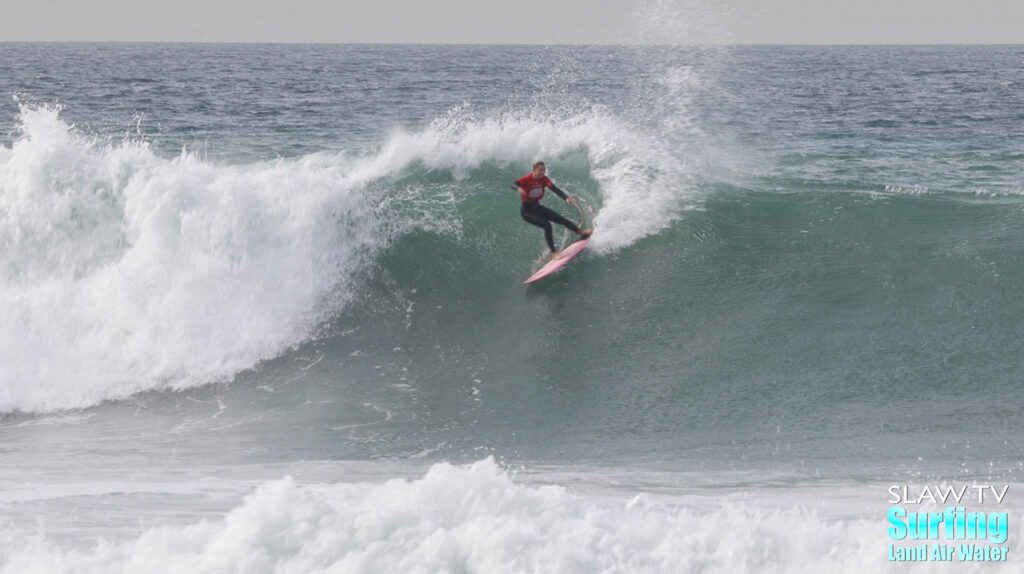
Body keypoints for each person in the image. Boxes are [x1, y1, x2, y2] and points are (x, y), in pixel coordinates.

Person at [512, 161, 593, 260]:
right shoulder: (527, 179)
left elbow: (555, 189)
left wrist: (566, 198)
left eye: (544, 170)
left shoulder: (544, 179)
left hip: (537, 207)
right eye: (540, 170)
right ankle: (554, 253)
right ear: (534, 170)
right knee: (547, 225)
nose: (543, 172)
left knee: (562, 219)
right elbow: (514, 184)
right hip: (527, 212)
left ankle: (580, 232)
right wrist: (519, 188)